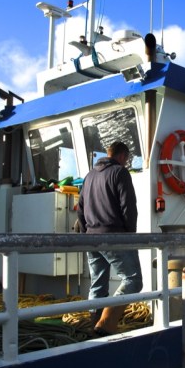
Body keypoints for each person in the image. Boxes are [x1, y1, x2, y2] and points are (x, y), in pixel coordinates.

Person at [76, 141, 143, 336]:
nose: (126, 163)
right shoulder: (120, 172)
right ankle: (105, 324)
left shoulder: (89, 176)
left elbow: (80, 209)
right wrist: (130, 236)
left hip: (91, 238)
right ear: (122, 156)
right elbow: (128, 207)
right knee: (133, 280)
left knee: (97, 284)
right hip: (114, 236)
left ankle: (93, 327)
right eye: (127, 160)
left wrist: (86, 235)